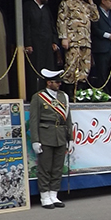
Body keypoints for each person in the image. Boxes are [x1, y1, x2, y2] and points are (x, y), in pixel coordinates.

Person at [29, 68, 72, 210]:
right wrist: (35, 140)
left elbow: (68, 119)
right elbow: (34, 120)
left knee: (57, 167)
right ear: (49, 82)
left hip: (61, 135)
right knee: (45, 168)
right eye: (56, 82)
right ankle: (44, 196)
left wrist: (70, 138)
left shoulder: (63, 97)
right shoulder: (38, 97)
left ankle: (54, 194)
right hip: (45, 135)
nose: (59, 84)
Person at [57, 0, 99, 97]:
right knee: (71, 66)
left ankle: (80, 92)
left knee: (85, 67)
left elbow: (95, 18)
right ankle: (69, 93)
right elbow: (62, 20)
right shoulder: (67, 2)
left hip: (85, 40)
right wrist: (64, 37)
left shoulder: (86, 5)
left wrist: (91, 2)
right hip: (73, 40)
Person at [24, 0, 60, 99]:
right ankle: (35, 95)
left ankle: (48, 93)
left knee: (48, 68)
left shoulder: (46, 9)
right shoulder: (28, 7)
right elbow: (26, 26)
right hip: (35, 45)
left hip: (47, 44)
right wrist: (28, 43)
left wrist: (54, 41)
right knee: (35, 69)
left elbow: (52, 26)